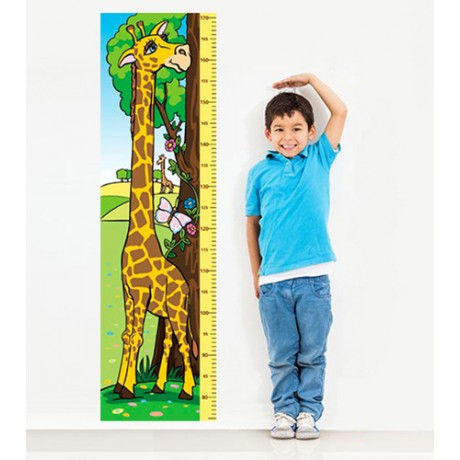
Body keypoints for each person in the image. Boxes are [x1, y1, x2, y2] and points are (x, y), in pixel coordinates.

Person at [245, 73, 347, 439]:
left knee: (312, 354)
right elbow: (252, 224)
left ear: (311, 132)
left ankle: (308, 413)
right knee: (281, 355)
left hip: (314, 280)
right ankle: (284, 412)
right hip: (273, 283)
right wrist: (256, 273)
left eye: (297, 128)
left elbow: (341, 111)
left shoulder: (319, 158)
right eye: (279, 129)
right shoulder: (259, 173)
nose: (288, 136)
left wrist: (311, 80)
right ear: (268, 134)